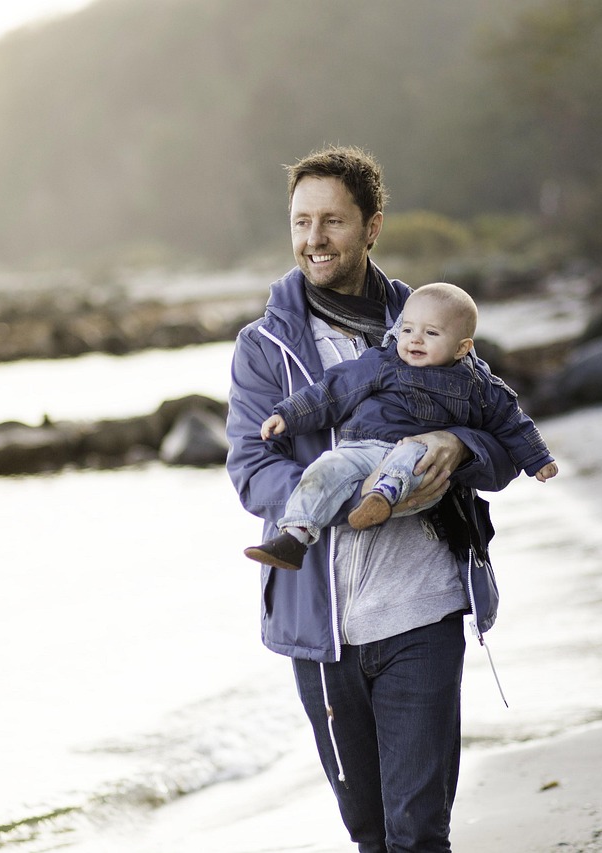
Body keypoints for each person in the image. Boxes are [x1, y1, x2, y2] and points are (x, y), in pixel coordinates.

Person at [225, 144, 520, 852]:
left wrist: (457, 445)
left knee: (417, 833)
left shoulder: (431, 323)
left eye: (332, 220)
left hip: (420, 611)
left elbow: (502, 441)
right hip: (318, 629)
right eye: (301, 222)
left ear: (371, 227)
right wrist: (341, 492)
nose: (314, 239)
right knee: (369, 833)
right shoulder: (263, 346)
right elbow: (250, 467)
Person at [243, 281, 556, 571]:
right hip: (362, 448)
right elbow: (333, 392)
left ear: (462, 348)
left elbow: (511, 422)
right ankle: (294, 536)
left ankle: (382, 494)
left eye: (431, 333)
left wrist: (537, 459)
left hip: (415, 464)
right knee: (325, 467)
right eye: (407, 329)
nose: (415, 339)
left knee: (415, 452)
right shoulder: (383, 362)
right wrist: (289, 414)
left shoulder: (477, 383)